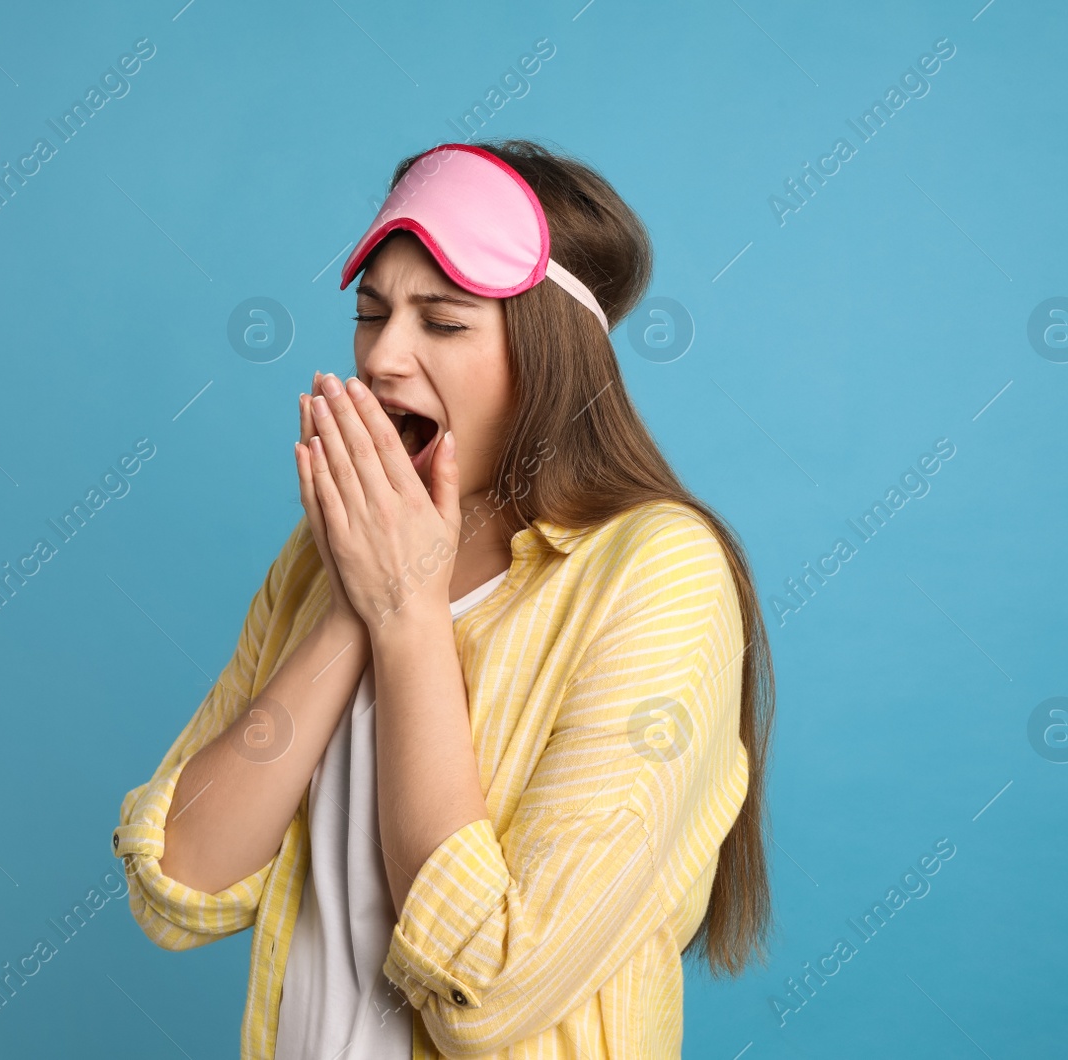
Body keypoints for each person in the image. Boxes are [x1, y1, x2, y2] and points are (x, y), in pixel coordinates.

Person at [112, 139, 776, 1058]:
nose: (382, 358)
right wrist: (359, 602)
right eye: (370, 312)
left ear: (552, 352)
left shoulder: (660, 571)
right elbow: (180, 881)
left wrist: (407, 618)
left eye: (444, 322)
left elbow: (488, 988)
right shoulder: (328, 556)